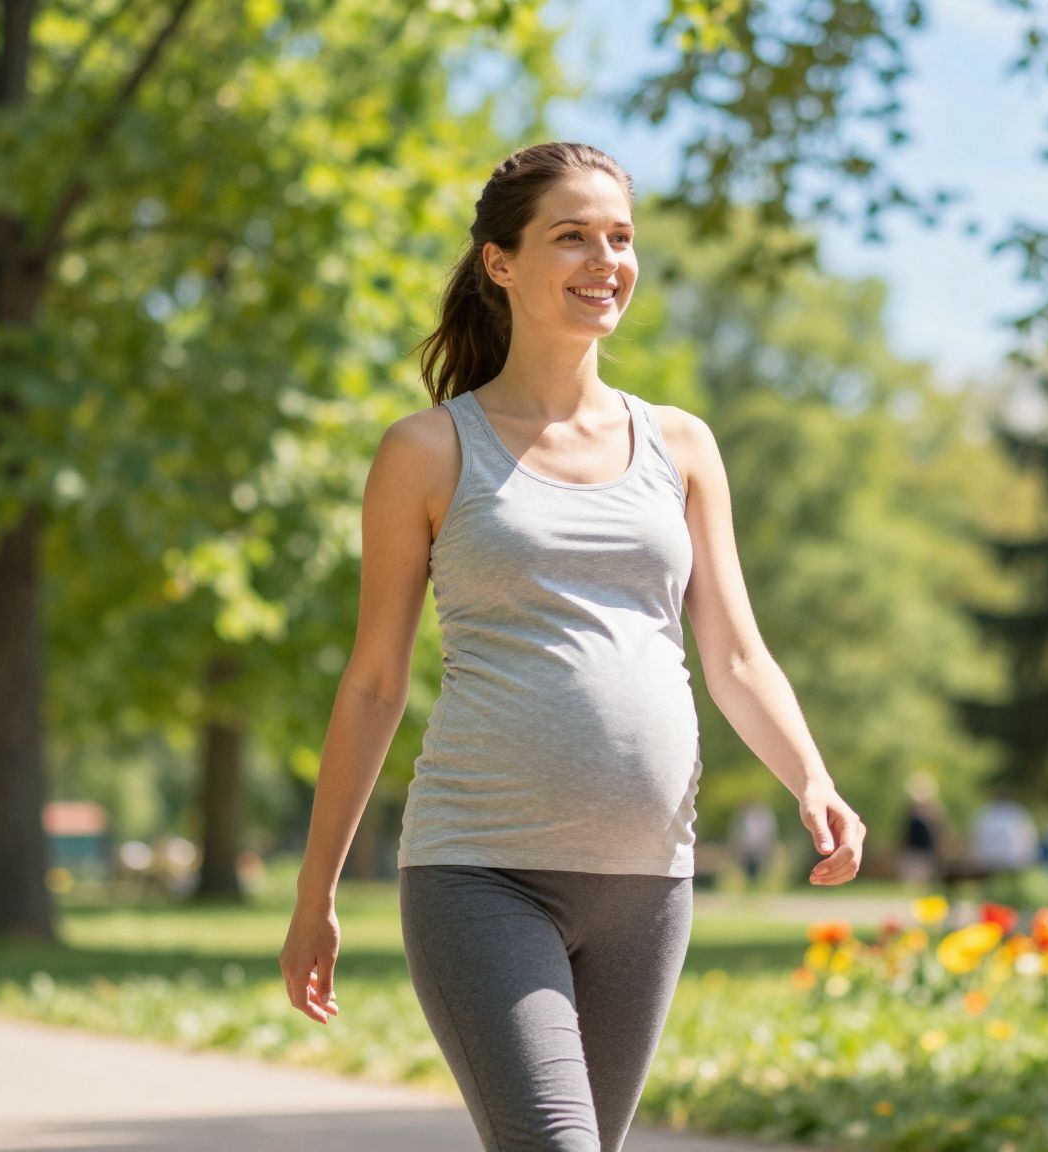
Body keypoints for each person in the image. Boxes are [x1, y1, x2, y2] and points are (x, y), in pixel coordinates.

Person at [278, 142, 867, 1152]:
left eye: (620, 237)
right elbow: (375, 681)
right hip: (480, 872)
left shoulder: (680, 445)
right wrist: (315, 890)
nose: (605, 260)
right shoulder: (425, 452)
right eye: (572, 237)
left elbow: (731, 650)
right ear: (500, 262)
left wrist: (810, 775)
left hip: (648, 879)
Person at [898, 770, 948, 887]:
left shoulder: (934, 814)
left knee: (924, 881)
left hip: (926, 852)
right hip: (912, 851)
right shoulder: (910, 813)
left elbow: (939, 832)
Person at [728, 798, 777, 887]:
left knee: (760, 864)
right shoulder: (743, 817)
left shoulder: (763, 816)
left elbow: (768, 832)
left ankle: (757, 882)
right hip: (748, 846)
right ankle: (751, 882)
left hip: (759, 845)